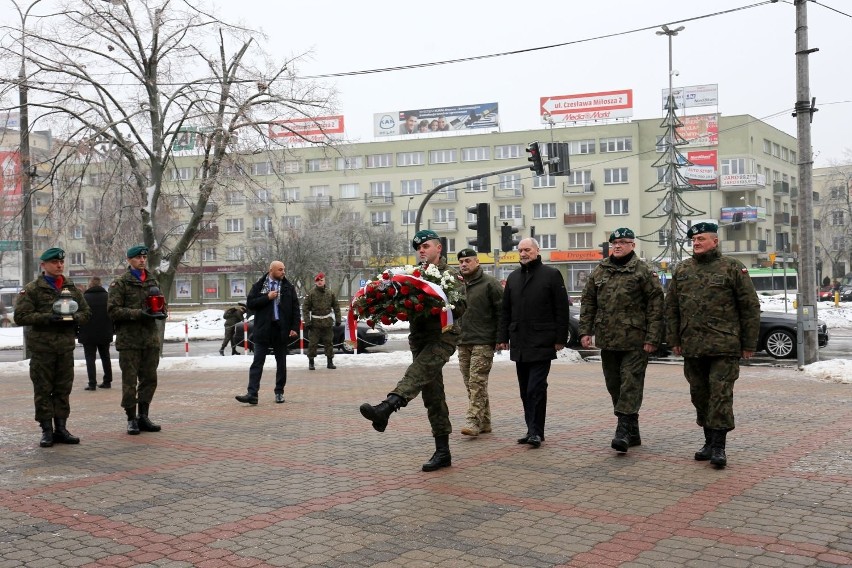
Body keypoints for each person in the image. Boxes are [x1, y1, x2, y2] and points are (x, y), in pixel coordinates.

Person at [359, 229, 466, 471]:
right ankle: (443, 452)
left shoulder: (451, 275)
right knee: (433, 395)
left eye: (426, 246)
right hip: (419, 340)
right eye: (418, 247)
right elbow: (405, 306)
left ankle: (386, 407)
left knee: (416, 374)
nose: (421, 250)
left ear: (439, 248)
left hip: (443, 338)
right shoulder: (414, 276)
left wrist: (434, 303)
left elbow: (460, 307)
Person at [665, 222, 761, 468]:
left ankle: (719, 446)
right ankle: (708, 440)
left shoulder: (732, 268)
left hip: (724, 345)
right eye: (694, 239)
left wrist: (749, 343)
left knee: (720, 395)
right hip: (693, 346)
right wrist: (674, 339)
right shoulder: (683, 270)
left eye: (701, 239)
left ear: (715, 241)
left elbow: (749, 307)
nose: (696, 243)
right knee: (700, 395)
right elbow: (672, 308)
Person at [579, 228, 664, 453]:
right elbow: (588, 303)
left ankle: (623, 431)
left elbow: (656, 306)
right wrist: (584, 331)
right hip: (608, 340)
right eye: (614, 242)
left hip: (635, 341)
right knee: (614, 385)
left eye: (623, 242)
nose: (618, 246)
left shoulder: (643, 271)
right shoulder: (600, 270)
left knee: (630, 384)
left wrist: (653, 337)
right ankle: (632, 430)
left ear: (632, 245)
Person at [496, 237, 570, 449]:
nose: (523, 253)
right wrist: (502, 337)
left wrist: (559, 338)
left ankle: (536, 432)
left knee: (534, 389)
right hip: (520, 341)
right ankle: (532, 430)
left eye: (527, 249)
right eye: (520, 250)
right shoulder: (513, 277)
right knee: (524, 390)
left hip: (542, 341)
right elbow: (505, 311)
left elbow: (561, 309)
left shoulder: (551, 275)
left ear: (537, 251)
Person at [14, 247, 91, 447]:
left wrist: (74, 318)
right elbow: (20, 316)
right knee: (43, 390)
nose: (59, 265)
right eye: (54, 263)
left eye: (61, 262)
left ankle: (62, 428)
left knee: (63, 389)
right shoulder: (32, 289)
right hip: (42, 349)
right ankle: (46, 430)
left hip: (65, 348)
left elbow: (86, 312)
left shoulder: (71, 287)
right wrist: (50, 317)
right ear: (44, 265)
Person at [107, 245, 167, 435]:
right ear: (129, 260)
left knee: (149, 379)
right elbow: (112, 311)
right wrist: (138, 314)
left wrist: (162, 311)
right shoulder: (121, 283)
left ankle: (144, 416)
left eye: (144, 257)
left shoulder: (152, 279)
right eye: (138, 258)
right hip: (129, 341)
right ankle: (131, 418)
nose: (142, 260)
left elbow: (159, 301)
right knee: (130, 381)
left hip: (149, 339)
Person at [235, 260, 300, 405]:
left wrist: (294, 328)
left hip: (280, 329)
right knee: (257, 362)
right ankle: (252, 394)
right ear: (271, 270)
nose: (283, 272)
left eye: (284, 269)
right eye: (280, 270)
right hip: (263, 329)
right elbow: (251, 304)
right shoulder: (259, 286)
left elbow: (295, 309)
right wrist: (267, 297)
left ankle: (279, 392)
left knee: (281, 363)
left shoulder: (288, 287)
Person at [456, 248, 503, 437]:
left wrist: (501, 338)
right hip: (463, 340)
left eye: (468, 260)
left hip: (483, 340)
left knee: (477, 381)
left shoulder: (490, 284)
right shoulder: (457, 285)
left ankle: (473, 420)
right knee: (471, 384)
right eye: (461, 262)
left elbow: (502, 312)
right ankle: (485, 422)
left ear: (477, 262)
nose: (464, 264)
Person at [78, 276, 114, 390]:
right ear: (100, 284)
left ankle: (92, 383)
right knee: (105, 357)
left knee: (90, 358)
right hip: (105, 332)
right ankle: (107, 381)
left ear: (90, 285)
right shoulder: (108, 297)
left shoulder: (84, 298)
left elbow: (79, 315)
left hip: (87, 333)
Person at [302, 272, 342, 370]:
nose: (319, 282)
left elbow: (336, 306)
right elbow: (305, 308)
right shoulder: (311, 294)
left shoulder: (330, 293)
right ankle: (311, 362)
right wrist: (307, 322)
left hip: (327, 322)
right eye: (317, 281)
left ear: (324, 281)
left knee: (329, 342)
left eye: (321, 280)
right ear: (315, 282)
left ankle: (330, 362)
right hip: (315, 324)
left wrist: (338, 319)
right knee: (312, 343)